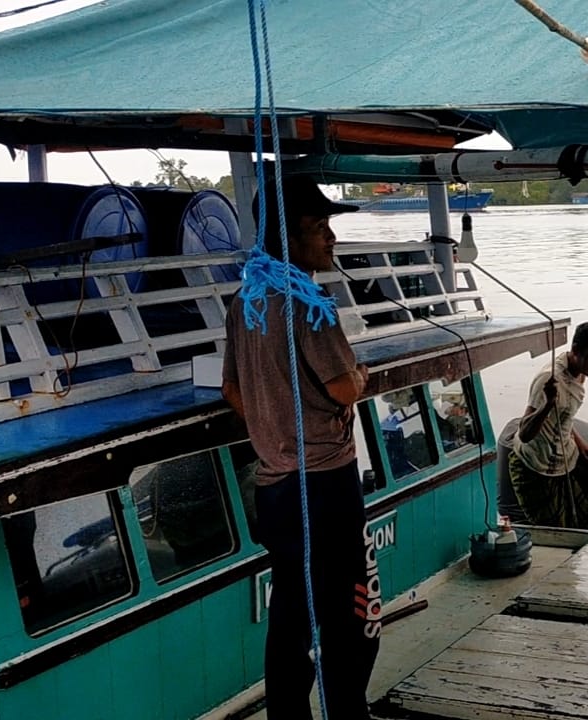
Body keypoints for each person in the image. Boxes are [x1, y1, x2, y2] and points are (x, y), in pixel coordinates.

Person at [221, 175, 380, 720]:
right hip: (327, 482)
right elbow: (341, 386)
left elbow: (232, 391)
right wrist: (360, 376)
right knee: (351, 609)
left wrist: (274, 428)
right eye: (318, 228)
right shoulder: (308, 301)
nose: (330, 238)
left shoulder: (245, 298)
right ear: (285, 239)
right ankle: (347, 712)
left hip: (276, 486)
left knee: (291, 609)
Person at [507, 320, 588, 529]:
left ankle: (583, 513)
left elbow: (565, 415)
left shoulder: (581, 372)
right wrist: (548, 405)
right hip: (536, 465)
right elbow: (524, 434)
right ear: (575, 350)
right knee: (558, 528)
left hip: (565, 454)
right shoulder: (549, 379)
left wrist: (581, 443)